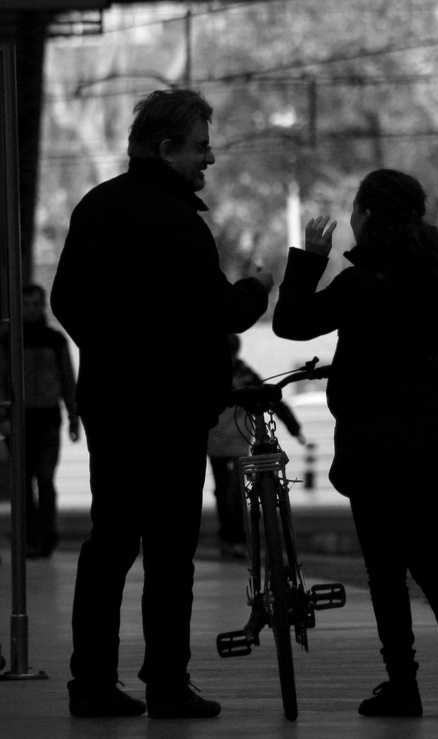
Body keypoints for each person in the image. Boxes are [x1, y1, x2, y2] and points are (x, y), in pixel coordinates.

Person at [50, 88, 273, 720]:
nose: (209, 159)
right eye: (200, 147)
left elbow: (67, 300)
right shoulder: (177, 222)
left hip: (112, 403)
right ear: (165, 147)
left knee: (110, 543)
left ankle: (90, 683)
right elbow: (216, 312)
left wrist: (114, 351)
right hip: (171, 408)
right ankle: (167, 684)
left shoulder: (97, 207)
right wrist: (258, 288)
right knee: (170, 551)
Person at [273, 169, 438, 717]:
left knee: (385, 569)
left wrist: (310, 258)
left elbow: (290, 324)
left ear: (368, 216)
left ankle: (404, 686)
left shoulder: (359, 282)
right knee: (431, 559)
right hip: (433, 438)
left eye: (355, 209)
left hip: (374, 442)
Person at [0, 284, 80, 558]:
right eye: (26, 304)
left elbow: (68, 380)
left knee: (44, 479)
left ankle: (44, 535)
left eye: (36, 303)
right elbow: (1, 380)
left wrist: (72, 416)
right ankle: (30, 535)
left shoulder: (54, 340)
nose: (32, 309)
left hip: (47, 417)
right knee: (24, 481)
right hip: (20, 418)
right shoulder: (8, 340)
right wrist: (3, 417)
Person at [207, 333, 305, 560]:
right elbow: (272, 398)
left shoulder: (228, 374)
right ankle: (231, 538)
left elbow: (271, 400)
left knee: (230, 491)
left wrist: (293, 427)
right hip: (217, 443)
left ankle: (235, 538)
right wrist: (294, 427)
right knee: (225, 492)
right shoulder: (243, 374)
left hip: (234, 442)